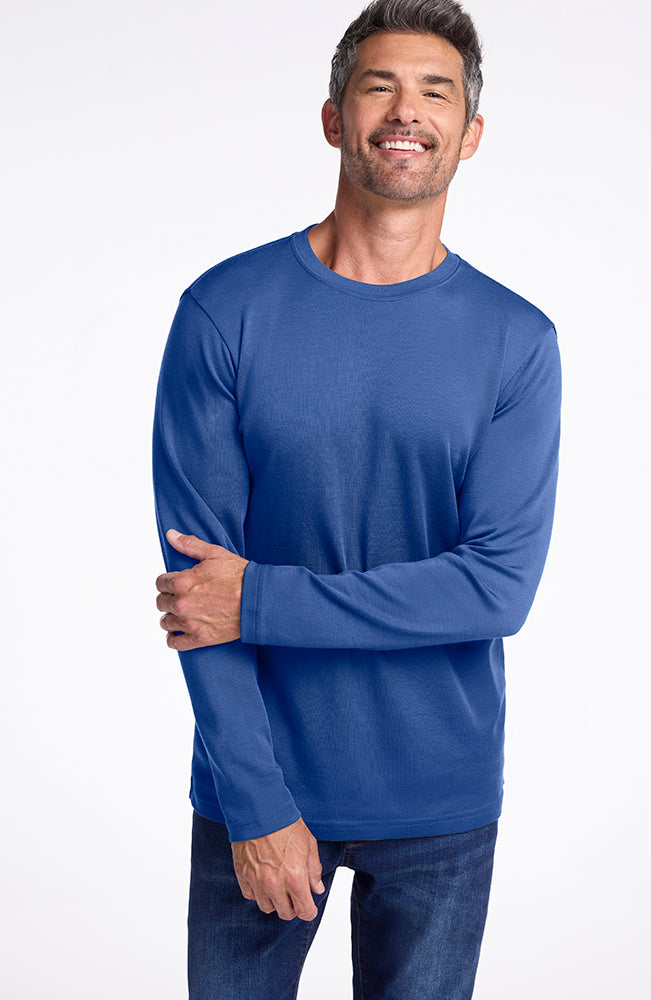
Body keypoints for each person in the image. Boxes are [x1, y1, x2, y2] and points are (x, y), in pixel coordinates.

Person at [153, 1, 561, 996]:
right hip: (260, 786)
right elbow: (195, 588)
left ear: (469, 135)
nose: (403, 110)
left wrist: (264, 599)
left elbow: (494, 589)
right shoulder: (224, 311)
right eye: (377, 85)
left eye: (435, 91)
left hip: (441, 800)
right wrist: (254, 804)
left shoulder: (516, 340)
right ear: (334, 117)